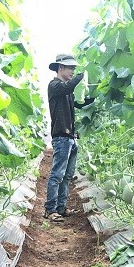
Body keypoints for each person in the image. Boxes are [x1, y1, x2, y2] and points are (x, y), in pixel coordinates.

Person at [44, 53, 93, 222]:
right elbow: (69, 87)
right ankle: (50, 210)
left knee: (67, 175)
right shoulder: (55, 86)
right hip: (61, 138)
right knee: (57, 174)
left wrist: (95, 96)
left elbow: (80, 103)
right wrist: (82, 76)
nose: (72, 71)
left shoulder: (67, 91)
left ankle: (61, 208)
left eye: (74, 68)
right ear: (60, 68)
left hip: (71, 137)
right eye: (70, 68)